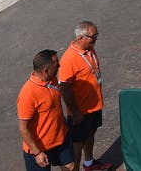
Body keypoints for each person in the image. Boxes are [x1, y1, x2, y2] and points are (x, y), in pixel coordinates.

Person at [58, 22, 111, 171]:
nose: (96, 39)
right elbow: (64, 88)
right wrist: (75, 112)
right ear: (81, 37)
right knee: (77, 143)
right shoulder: (69, 59)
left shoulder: (89, 48)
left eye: (96, 35)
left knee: (91, 133)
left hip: (94, 105)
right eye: (93, 36)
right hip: (80, 111)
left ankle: (90, 163)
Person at [17, 49, 76, 171]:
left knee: (70, 166)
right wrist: (37, 153)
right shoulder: (28, 94)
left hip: (60, 139)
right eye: (56, 65)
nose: (59, 66)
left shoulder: (52, 80)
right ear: (46, 70)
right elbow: (23, 129)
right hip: (39, 147)